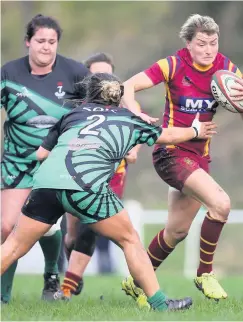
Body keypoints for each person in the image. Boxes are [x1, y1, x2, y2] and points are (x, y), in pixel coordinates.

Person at [0, 72, 216, 311]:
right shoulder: (129, 118)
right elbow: (167, 136)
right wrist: (195, 131)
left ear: (88, 94)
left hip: (47, 184)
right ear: (118, 97)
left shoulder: (72, 114)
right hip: (86, 186)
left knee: (13, 246)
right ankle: (160, 304)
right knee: (130, 240)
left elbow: (41, 154)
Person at [120, 13, 243, 306]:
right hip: (170, 153)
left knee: (176, 231)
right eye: (201, 43)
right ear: (188, 43)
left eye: (213, 42)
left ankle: (137, 283)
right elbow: (127, 87)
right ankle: (204, 273)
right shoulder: (172, 65)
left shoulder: (227, 68)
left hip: (200, 157)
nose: (209, 49)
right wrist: (136, 114)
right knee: (221, 204)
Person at [0, 14, 88, 303]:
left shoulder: (75, 72)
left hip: (55, 163)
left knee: (47, 226)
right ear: (28, 42)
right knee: (6, 226)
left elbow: (93, 113)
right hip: (18, 160)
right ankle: (3, 297)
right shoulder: (8, 74)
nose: (46, 47)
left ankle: (52, 274)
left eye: (52, 42)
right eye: (40, 41)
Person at [62, 53, 142, 298]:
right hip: (78, 175)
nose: (103, 80)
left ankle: (67, 287)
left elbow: (140, 127)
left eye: (108, 74)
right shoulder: (74, 106)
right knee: (72, 234)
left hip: (113, 177)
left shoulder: (126, 102)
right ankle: (72, 270)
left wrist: (132, 150)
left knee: (91, 227)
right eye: (96, 74)